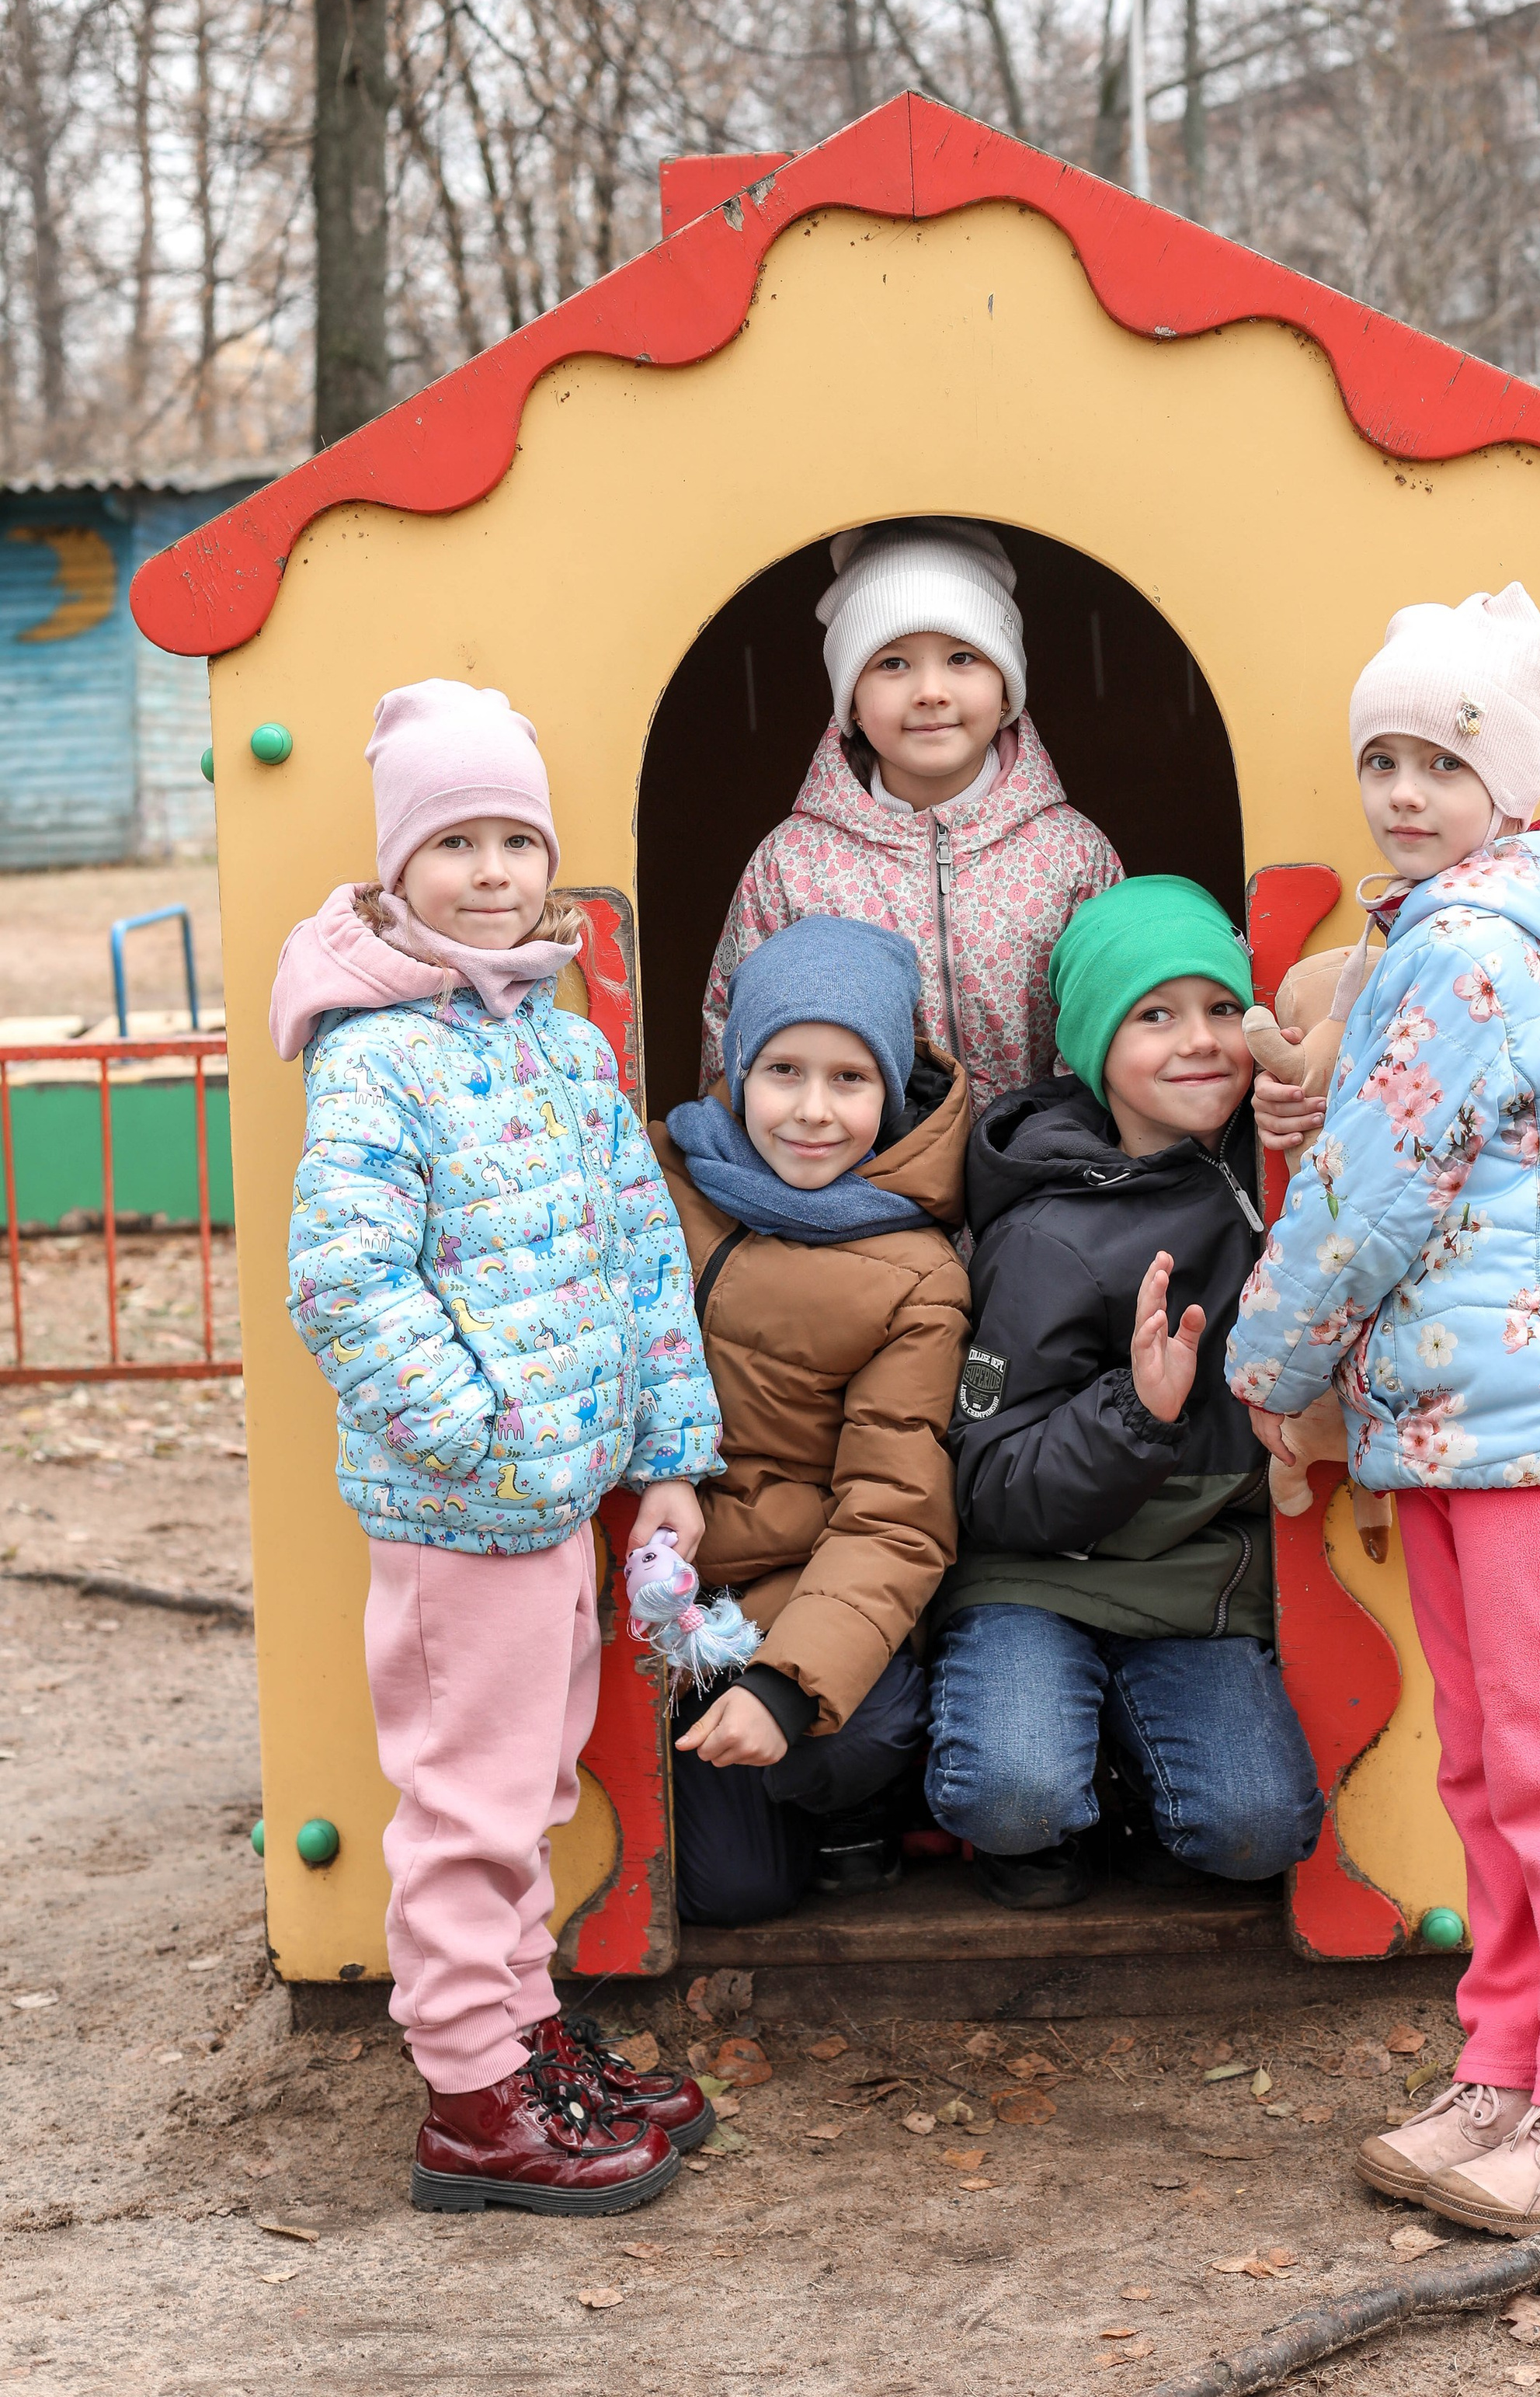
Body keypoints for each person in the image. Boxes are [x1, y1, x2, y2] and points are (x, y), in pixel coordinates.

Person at [1226, 584, 1540, 2235]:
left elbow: (1362, 1198)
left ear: (1509, 782)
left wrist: (1263, 1367)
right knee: (1487, 1763)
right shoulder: (1439, 934)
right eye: (1383, 760)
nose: (1402, 793)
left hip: (1521, 1427)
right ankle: (1511, 2059)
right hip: (1459, 1417)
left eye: (1439, 762)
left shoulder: (1474, 951)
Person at [278, 679, 721, 2217]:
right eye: (454, 841)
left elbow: (640, 1246)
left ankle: (523, 2038)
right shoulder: (377, 1053)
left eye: (514, 840)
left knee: (526, 1781)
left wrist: (666, 1446)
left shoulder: (555, 1038)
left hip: (555, 1499)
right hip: (465, 1511)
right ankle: (472, 2099)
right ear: (399, 868)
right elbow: (344, 1282)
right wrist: (485, 1442)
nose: (489, 873)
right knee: (469, 1800)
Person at [922, 875, 1324, 1908]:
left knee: (1259, 1830)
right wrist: (1134, 1413)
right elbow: (990, 1480)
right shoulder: (1047, 1234)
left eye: (1223, 1009)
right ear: (1094, 1047)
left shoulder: (1278, 1169)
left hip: (1196, 1579)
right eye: (1156, 1015)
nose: (1199, 1039)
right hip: (1036, 1575)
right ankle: (1036, 1818)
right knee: (1010, 1792)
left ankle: (1135, 1782)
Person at [657, 917, 972, 1922]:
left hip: (778, 1601)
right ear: (739, 1065)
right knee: (723, 1885)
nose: (812, 1111)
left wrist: (787, 1685)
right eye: (784, 1069)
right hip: (649, 1578)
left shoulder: (916, 1271)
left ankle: (834, 1794)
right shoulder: (659, 1180)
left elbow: (891, 1508)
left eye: (851, 1079)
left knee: (854, 1744)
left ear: (890, 1093)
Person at [700, 517, 1121, 1114]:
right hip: (862, 1187)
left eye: (962, 657)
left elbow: (1113, 1026)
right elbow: (734, 1036)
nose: (930, 690)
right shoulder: (792, 864)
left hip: (1047, 1180)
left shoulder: (1072, 853)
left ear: (1006, 690)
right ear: (851, 699)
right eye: (893, 664)